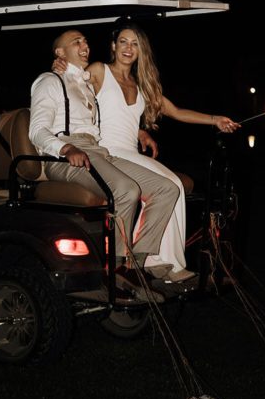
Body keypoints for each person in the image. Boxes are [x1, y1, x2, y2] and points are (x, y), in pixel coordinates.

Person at [53, 22, 239, 280]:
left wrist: (215, 119)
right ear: (113, 46)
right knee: (171, 183)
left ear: (142, 51)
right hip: (105, 151)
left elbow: (176, 112)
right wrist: (58, 67)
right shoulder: (99, 70)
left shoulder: (141, 85)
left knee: (172, 184)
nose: (128, 48)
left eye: (135, 44)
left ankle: (156, 260)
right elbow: (71, 85)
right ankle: (160, 262)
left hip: (129, 153)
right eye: (123, 42)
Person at [29, 30, 180, 289]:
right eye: (76, 42)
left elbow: (115, 109)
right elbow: (37, 130)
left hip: (97, 151)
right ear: (59, 53)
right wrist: (65, 149)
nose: (84, 44)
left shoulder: (86, 83)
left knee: (166, 189)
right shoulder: (49, 81)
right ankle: (118, 265)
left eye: (86, 40)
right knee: (127, 190)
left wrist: (140, 130)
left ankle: (137, 263)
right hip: (65, 156)